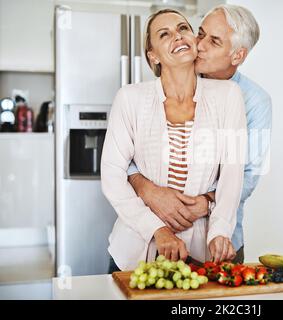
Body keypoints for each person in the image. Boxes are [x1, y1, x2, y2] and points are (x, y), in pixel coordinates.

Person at [101, 9, 247, 272]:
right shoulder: (129, 98)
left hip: (200, 254)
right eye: (164, 34)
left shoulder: (229, 96)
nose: (178, 36)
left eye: (183, 28)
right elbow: (112, 174)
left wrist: (220, 230)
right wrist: (156, 229)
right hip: (134, 250)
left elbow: (232, 173)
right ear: (153, 56)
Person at [127, 5, 272, 264]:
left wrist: (206, 203)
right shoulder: (173, 71)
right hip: (150, 238)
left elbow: (248, 175)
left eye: (213, 41)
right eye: (201, 34)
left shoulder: (255, 101)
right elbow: (125, 154)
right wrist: (147, 190)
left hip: (218, 244)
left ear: (237, 55)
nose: (200, 45)